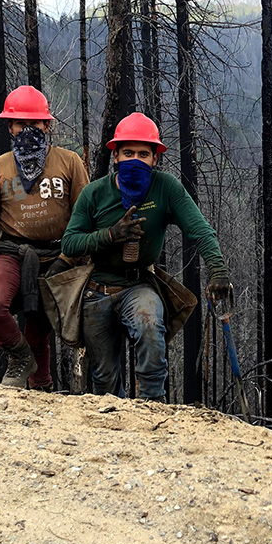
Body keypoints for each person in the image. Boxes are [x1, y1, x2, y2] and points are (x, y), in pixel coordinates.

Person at [60, 112, 231, 400]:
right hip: (97, 288)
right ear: (115, 156)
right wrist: (111, 235)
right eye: (127, 153)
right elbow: (70, 243)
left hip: (138, 284)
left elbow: (200, 230)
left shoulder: (165, 187)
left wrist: (218, 270)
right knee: (103, 378)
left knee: (151, 330)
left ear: (155, 159)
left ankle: (153, 408)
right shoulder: (94, 193)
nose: (135, 160)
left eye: (143, 153)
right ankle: (113, 423)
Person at [0, 85, 90, 390]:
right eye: (20, 123)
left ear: (47, 125)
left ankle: (42, 391)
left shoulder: (69, 162)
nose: (27, 130)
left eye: (34, 123)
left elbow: (85, 213)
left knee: (38, 333)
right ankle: (20, 358)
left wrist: (73, 259)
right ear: (9, 127)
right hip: (12, 252)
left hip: (57, 256)